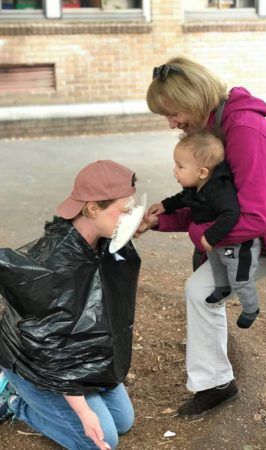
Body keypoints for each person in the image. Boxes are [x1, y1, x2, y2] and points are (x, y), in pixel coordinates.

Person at [139, 57, 266, 449]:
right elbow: (215, 205)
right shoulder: (218, 129)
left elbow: (255, 216)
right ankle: (214, 382)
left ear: (194, 99)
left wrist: (201, 235)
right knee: (200, 291)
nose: (171, 122)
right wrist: (162, 220)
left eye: (173, 111)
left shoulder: (244, 129)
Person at [0, 160, 141, 450]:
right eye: (124, 210)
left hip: (78, 354)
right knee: (102, 441)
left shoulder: (101, 240)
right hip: (34, 363)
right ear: (91, 208)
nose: (130, 218)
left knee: (123, 421)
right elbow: (51, 346)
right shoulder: (56, 267)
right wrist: (82, 411)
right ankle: (13, 400)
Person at [149, 131, 261, 328]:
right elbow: (182, 199)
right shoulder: (196, 186)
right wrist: (165, 205)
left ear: (202, 172)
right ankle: (221, 288)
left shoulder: (219, 190)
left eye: (180, 166)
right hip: (217, 244)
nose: (175, 171)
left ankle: (251, 308)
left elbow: (230, 214)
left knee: (238, 277)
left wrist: (210, 236)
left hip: (236, 248)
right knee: (216, 262)